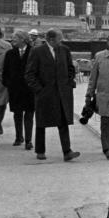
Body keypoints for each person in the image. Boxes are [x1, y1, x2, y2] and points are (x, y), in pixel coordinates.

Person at [25, 28, 80, 162]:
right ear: (51, 39)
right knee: (41, 122)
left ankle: (67, 151)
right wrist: (39, 90)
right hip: (45, 94)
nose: (61, 42)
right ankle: (40, 150)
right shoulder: (37, 51)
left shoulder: (64, 50)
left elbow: (70, 68)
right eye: (59, 39)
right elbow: (29, 74)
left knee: (63, 122)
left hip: (62, 93)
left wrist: (68, 82)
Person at [2, 31, 35, 150]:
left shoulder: (34, 52)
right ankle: (18, 137)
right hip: (15, 89)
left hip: (30, 89)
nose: (12, 40)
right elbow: (5, 71)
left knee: (29, 115)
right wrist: (8, 84)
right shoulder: (10, 53)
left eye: (15, 38)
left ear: (23, 39)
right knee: (17, 114)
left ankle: (28, 140)